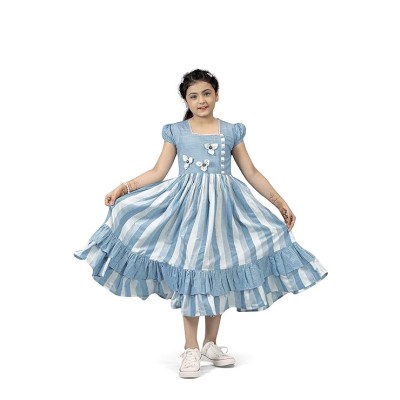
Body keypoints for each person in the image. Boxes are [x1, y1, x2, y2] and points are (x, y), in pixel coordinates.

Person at [74, 68, 328, 379]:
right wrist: (123, 188)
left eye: (206, 93)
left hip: (225, 212)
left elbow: (251, 172)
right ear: (186, 100)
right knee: (193, 271)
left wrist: (280, 203)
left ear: (217, 95)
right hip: (188, 212)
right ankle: (190, 347)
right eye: (193, 96)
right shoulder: (176, 132)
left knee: (219, 269)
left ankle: (210, 344)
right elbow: (158, 172)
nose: (201, 100)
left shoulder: (231, 131)